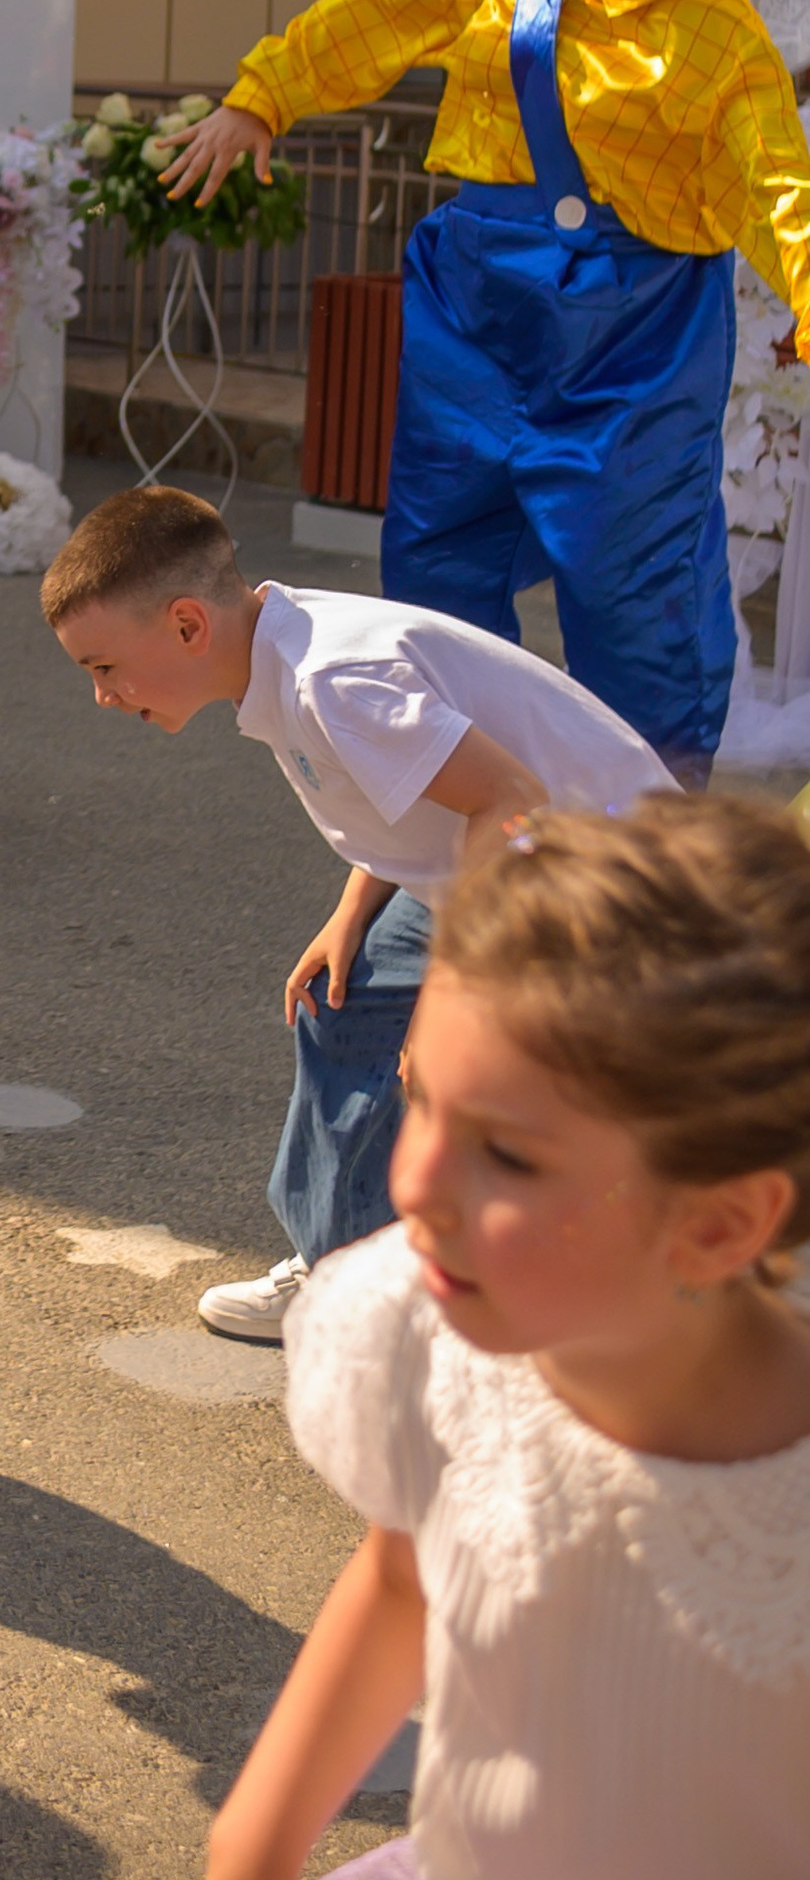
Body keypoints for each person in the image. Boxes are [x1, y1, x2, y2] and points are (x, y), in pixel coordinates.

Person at [177, 793, 810, 1880]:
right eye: (419, 1098)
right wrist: (247, 1864)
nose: (415, 1184)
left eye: (507, 1153)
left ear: (718, 1224)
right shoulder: (437, 1339)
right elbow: (401, 1583)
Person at [160, 0, 810, 779]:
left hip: (638, 329)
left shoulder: (717, 28)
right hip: (479, 304)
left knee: (633, 585)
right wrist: (262, 97)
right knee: (436, 563)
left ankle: (648, 827)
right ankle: (460, 803)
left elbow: (781, 183)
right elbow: (384, 11)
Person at [41, 482, 670, 1345]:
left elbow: (513, 801)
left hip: (607, 888)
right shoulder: (279, 650)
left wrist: (454, 995)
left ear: (187, 625)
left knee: (500, 1085)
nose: (103, 695)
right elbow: (408, 800)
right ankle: (342, 1273)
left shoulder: (334, 679)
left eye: (104, 667)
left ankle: (562, 1314)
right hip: (507, 861)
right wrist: (351, 914)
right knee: (346, 998)